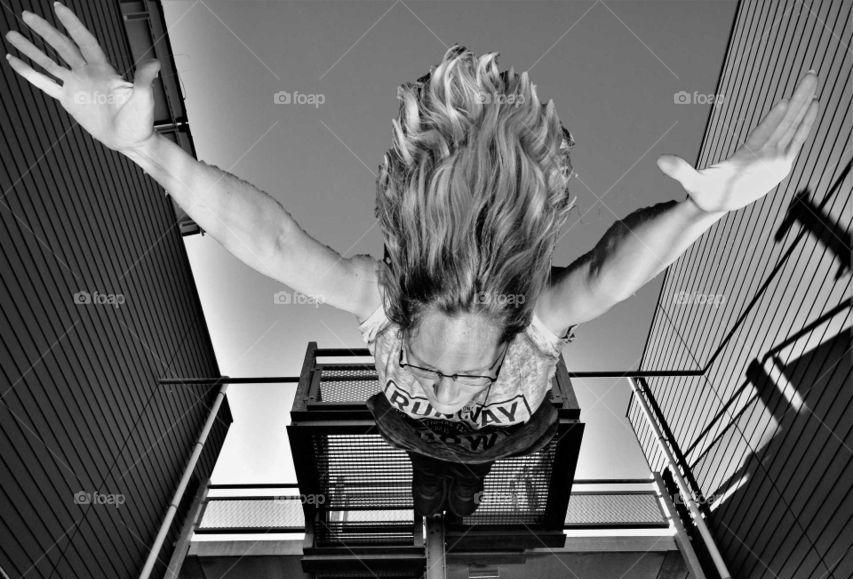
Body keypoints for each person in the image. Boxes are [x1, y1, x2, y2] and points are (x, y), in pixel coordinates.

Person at [5, 8, 819, 514]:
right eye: (453, 380)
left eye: (434, 384)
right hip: (507, 422)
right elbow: (608, 277)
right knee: (451, 479)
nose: (442, 389)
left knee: (441, 478)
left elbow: (279, 250)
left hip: (472, 413)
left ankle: (443, 498)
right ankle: (447, 498)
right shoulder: (528, 329)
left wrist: (149, 150)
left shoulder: (389, 322)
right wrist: (701, 212)